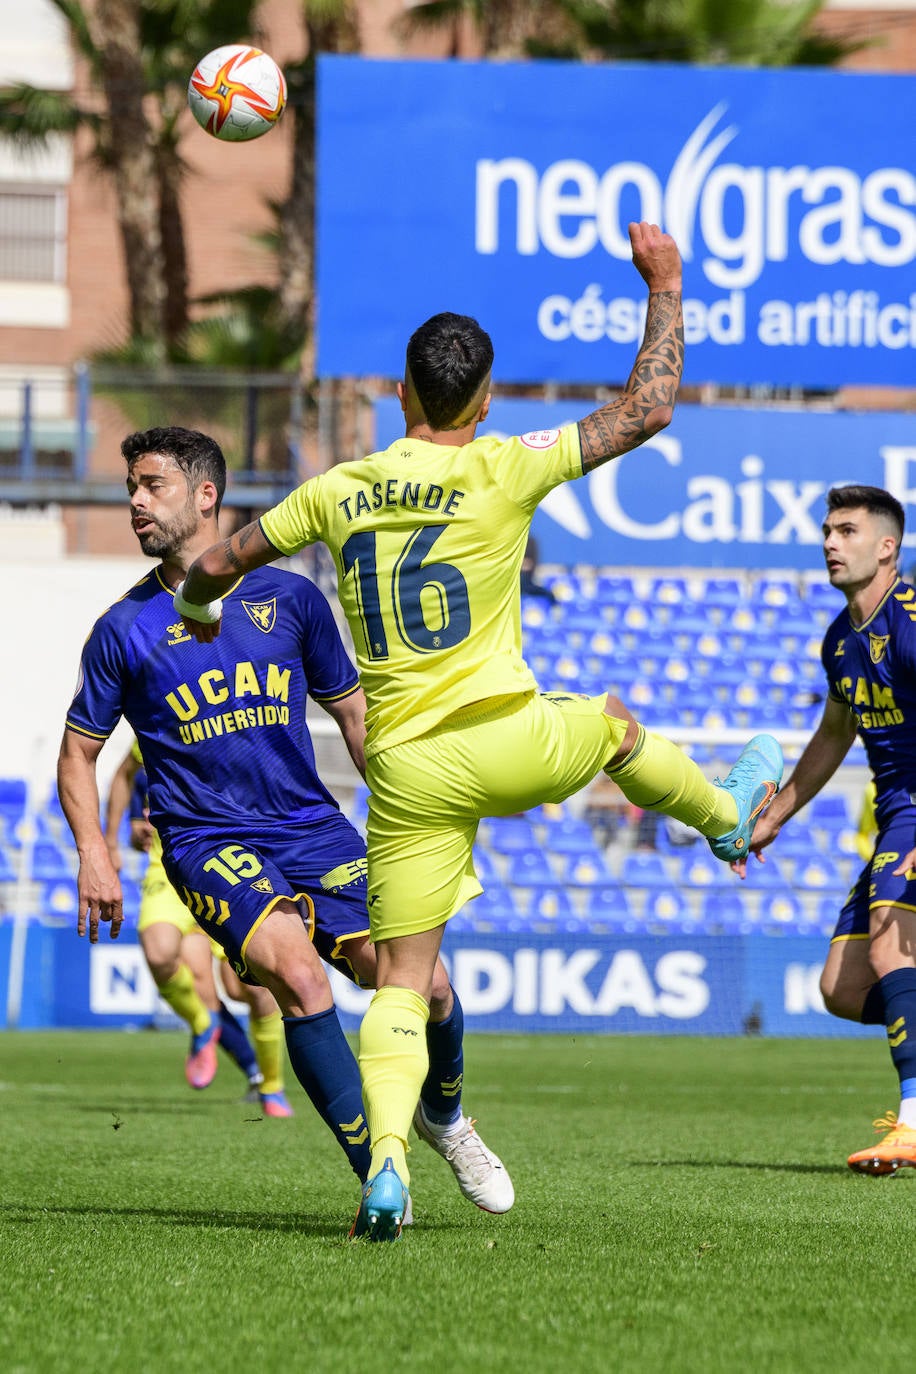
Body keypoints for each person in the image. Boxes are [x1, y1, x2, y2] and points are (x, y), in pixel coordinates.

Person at [175, 221, 783, 1240]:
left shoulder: (337, 490)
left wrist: (195, 606)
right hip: (507, 740)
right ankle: (724, 820)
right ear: (485, 398)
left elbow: (224, 558)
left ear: (401, 396)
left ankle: (386, 1170)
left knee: (401, 985)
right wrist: (665, 283)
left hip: (405, 770)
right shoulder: (507, 464)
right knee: (617, 728)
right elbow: (648, 408)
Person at [58, 424, 513, 1221]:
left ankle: (444, 1118)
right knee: (299, 979)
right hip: (205, 842)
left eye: (151, 485)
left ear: (207, 495)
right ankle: (382, 1176)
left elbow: (358, 719)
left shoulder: (291, 598)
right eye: (132, 485)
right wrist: (94, 851)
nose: (134, 500)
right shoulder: (121, 630)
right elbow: (77, 754)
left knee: (427, 985)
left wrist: (415, 814)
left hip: (313, 829)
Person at [733, 484, 916, 1175]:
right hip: (898, 810)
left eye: (846, 531)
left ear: (886, 547)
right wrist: (771, 816)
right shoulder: (841, 640)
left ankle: (911, 1122)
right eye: (827, 531)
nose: (830, 543)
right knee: (842, 986)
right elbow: (835, 733)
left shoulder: (909, 622)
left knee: (894, 954)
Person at [106, 742, 294, 1115]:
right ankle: (209, 1030)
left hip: (234, 871)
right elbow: (124, 774)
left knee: (251, 989)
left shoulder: (241, 729)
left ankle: (271, 1086)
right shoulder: (158, 719)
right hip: (170, 868)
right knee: (169, 960)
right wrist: (117, 833)